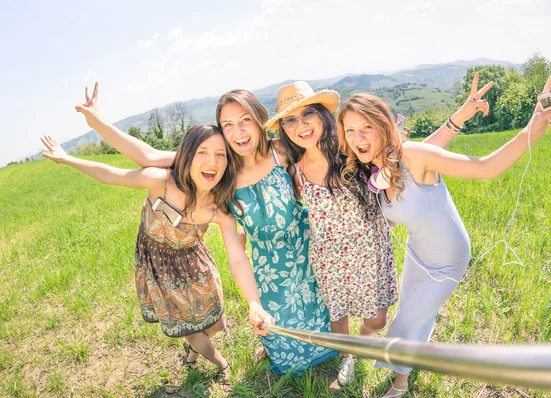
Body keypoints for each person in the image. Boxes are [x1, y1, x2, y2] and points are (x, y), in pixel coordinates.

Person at [74, 83, 337, 375]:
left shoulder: (282, 152)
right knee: (279, 334)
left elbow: (322, 157)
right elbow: (147, 157)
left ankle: (336, 352)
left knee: (320, 312)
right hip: (267, 265)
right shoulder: (221, 169)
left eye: (245, 120)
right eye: (228, 125)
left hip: (308, 251)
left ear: (259, 118)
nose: (238, 132)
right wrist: (96, 122)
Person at [336, 76, 551, 397]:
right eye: (349, 130)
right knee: (415, 312)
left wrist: (531, 128)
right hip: (419, 253)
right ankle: (409, 363)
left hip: (449, 260)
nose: (357, 137)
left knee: (403, 324)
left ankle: (400, 382)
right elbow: (390, 221)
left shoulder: (413, 155)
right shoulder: (376, 172)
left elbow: (485, 167)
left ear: (383, 127)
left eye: (366, 128)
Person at [40, 125, 274, 376]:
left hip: (195, 263)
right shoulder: (160, 182)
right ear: (186, 155)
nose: (212, 162)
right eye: (202, 152)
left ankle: (194, 349)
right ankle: (222, 365)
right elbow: (109, 174)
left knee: (217, 323)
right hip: (160, 267)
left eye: (221, 155)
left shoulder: (219, 209)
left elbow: (238, 259)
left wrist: (254, 302)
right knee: (192, 330)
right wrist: (68, 159)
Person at [264, 81, 397, 386]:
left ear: (323, 114)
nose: (302, 125)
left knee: (376, 319)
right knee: (338, 312)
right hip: (328, 253)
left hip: (369, 249)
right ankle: (348, 357)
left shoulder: (350, 148)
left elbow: (396, 158)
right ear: (284, 128)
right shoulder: (294, 166)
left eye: (307, 113)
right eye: (291, 119)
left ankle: (361, 343)